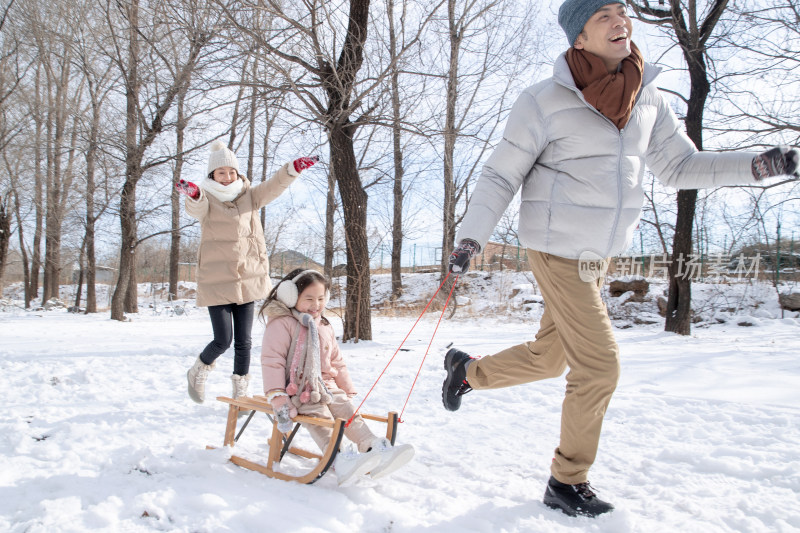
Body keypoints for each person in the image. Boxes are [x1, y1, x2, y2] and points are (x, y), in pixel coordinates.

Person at [442, 0, 799, 519]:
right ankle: (566, 481)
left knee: (553, 356)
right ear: (579, 39)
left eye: (622, 10)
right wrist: (471, 238)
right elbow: (501, 175)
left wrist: (757, 165)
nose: (620, 21)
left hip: (598, 255)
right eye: (604, 15)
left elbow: (679, 166)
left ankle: (468, 372)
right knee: (599, 366)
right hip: (554, 246)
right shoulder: (543, 100)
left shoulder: (646, 97)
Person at [177, 140, 318, 404]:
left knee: (245, 342)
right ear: (212, 175)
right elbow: (196, 208)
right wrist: (194, 194)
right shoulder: (206, 196)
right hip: (217, 280)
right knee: (223, 340)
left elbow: (273, 187)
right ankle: (198, 369)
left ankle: (240, 392)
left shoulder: (249, 195)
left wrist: (293, 169)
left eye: (231, 172)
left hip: (247, 279)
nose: (227, 177)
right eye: (221, 172)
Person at [259, 268, 415, 485]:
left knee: (348, 412)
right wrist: (278, 397)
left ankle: (372, 447)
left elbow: (336, 361)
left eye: (321, 298)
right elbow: (272, 360)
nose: (316, 305)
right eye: (309, 299)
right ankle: (339, 457)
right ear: (291, 296)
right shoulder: (281, 323)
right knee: (320, 419)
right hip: (298, 390)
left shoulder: (323, 325)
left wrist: (346, 388)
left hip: (328, 386)